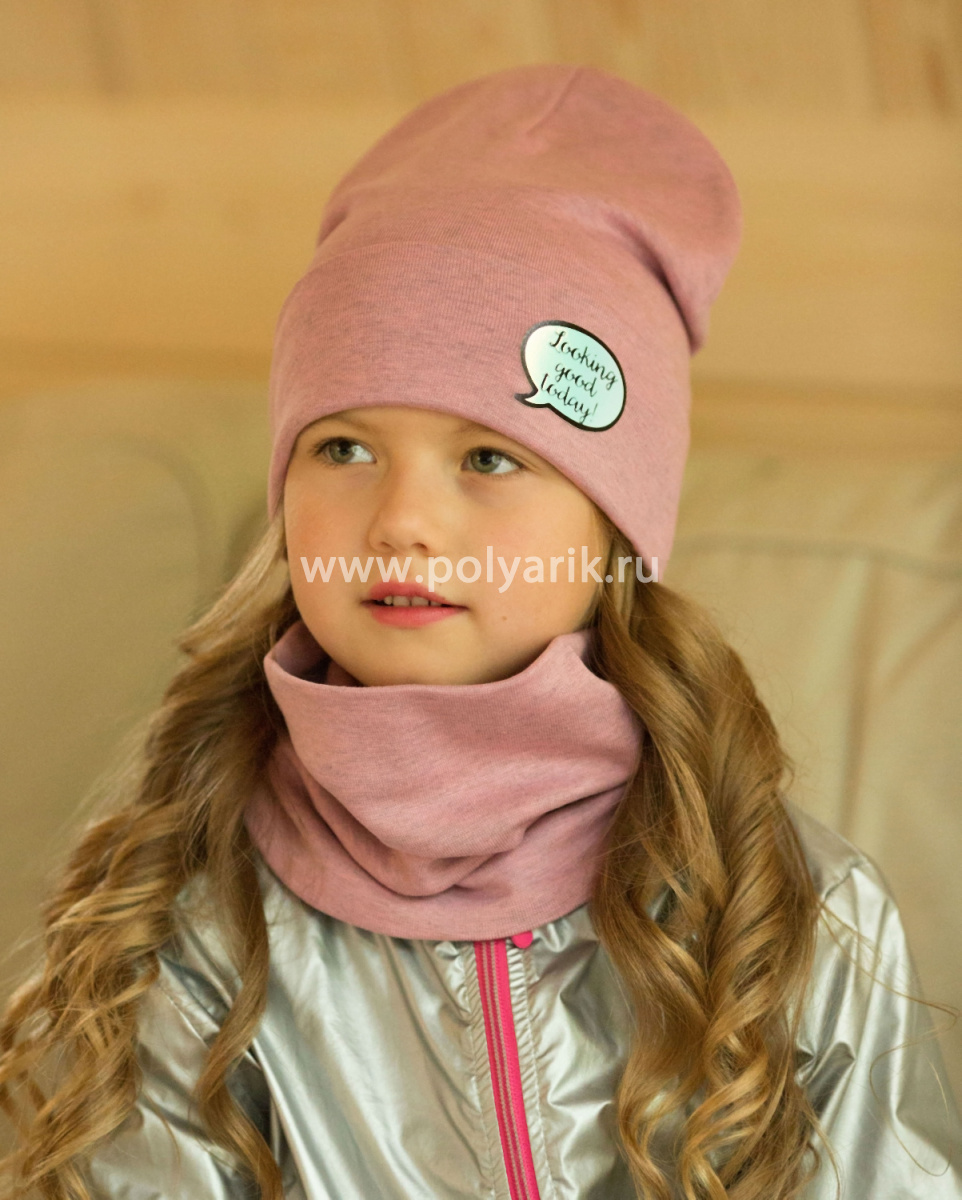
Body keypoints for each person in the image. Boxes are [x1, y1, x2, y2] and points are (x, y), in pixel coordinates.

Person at [1, 63, 959, 1200]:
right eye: (344, 448)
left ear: (613, 529)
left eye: (489, 458)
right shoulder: (180, 911)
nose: (402, 521)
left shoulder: (789, 909)